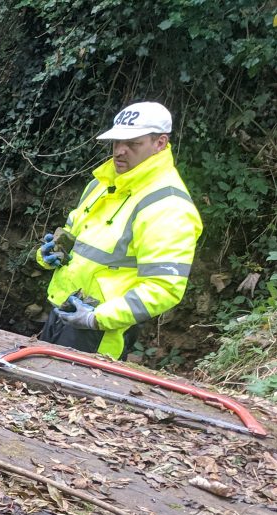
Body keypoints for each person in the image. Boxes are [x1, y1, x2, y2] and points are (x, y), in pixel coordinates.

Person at [35, 101, 202, 360]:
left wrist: (95, 318)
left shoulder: (169, 205)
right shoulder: (100, 184)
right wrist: (49, 255)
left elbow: (164, 287)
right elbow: (74, 239)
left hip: (100, 333)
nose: (120, 151)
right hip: (63, 312)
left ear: (160, 143)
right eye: (116, 142)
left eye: (133, 144)